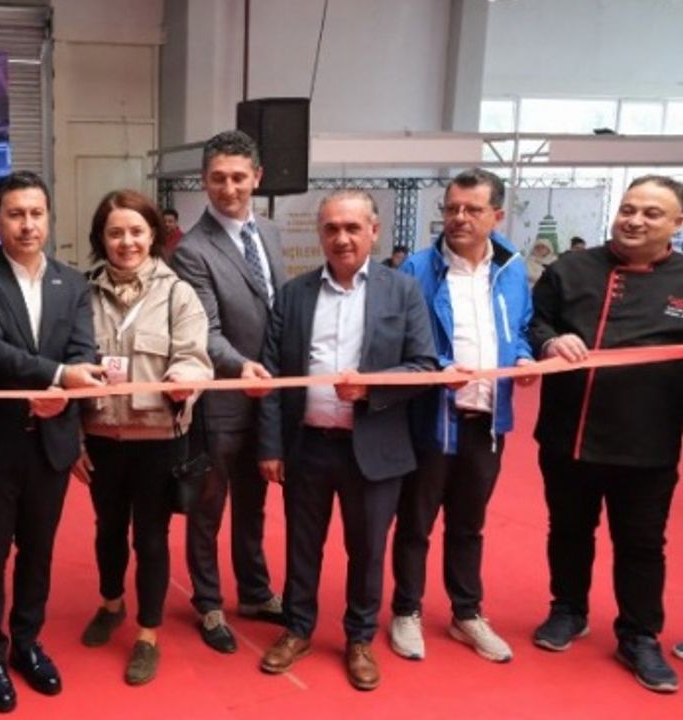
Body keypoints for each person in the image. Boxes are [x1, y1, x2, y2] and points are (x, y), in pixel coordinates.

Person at [256, 190, 436, 691]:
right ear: (320, 233)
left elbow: (424, 366)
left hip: (374, 448)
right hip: (307, 445)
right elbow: (271, 376)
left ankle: (359, 638)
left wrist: (371, 387)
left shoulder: (403, 291)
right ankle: (298, 628)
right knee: (302, 546)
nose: (342, 238)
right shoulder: (293, 294)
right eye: (332, 228)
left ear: (374, 231)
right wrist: (270, 446)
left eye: (353, 227)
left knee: (368, 549)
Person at [0, 170, 103, 712]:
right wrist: (58, 377)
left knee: (38, 553)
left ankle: (26, 642)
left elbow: (84, 351)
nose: (27, 224)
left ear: (49, 218)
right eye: (15, 214)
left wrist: (64, 388)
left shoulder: (73, 283)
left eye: (36, 213)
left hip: (51, 445)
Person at [529, 175, 683, 693]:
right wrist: (551, 344)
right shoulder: (570, 269)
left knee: (641, 543)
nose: (634, 220)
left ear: (677, 224)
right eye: (628, 209)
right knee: (568, 529)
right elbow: (535, 324)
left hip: (649, 441)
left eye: (651, 214)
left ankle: (639, 635)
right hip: (568, 432)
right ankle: (568, 609)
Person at [390, 168, 536, 663]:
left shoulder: (512, 269)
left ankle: (466, 613)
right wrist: (438, 367)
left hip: (488, 421)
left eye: (472, 209)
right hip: (431, 420)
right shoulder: (417, 268)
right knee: (416, 523)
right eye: (452, 208)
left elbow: (520, 329)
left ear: (497, 215)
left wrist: (523, 357)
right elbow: (401, 337)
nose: (459, 218)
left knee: (469, 525)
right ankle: (406, 610)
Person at [72, 190, 212, 686]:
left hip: (158, 440)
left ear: (154, 234)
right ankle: (111, 604)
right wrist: (74, 441)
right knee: (107, 529)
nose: (126, 242)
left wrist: (185, 377)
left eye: (136, 231)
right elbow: (66, 366)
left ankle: (148, 632)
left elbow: (195, 355)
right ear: (101, 239)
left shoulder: (178, 294)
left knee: (151, 538)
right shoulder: (81, 294)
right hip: (101, 438)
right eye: (115, 233)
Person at [168, 129, 286, 653]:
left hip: (268, 402)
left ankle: (255, 592)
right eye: (218, 178)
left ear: (257, 178)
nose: (229, 188)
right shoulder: (192, 250)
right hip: (220, 403)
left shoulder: (272, 234)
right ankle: (209, 602)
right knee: (208, 508)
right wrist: (244, 367)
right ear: (204, 181)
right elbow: (205, 333)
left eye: (239, 177)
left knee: (254, 505)